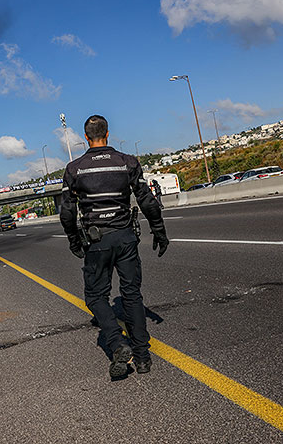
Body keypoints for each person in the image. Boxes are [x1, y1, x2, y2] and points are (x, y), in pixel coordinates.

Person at [60, 115, 169, 378]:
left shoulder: (75, 169)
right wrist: (159, 231)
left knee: (96, 297)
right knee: (132, 295)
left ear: (86, 137)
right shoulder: (127, 162)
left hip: (97, 242)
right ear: (107, 133)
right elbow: (146, 199)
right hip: (125, 237)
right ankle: (143, 359)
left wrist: (74, 240)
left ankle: (117, 342)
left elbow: (66, 213)